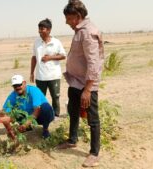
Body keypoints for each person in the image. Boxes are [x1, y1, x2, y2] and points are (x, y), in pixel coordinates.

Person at [57, 0, 104, 167]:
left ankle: (94, 153)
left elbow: (93, 62)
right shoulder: (80, 30)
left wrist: (88, 89)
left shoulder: (88, 32)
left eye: (68, 18)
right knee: (73, 112)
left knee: (92, 118)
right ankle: (72, 140)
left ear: (77, 17)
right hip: (75, 81)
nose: (66, 22)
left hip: (86, 84)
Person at [30, 18, 66, 117]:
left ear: (49, 30)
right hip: (40, 76)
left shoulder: (56, 42)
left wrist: (50, 57)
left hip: (54, 76)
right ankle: (42, 115)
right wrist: (32, 73)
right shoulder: (37, 42)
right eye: (39, 29)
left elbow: (63, 55)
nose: (40, 31)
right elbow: (34, 57)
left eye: (43, 29)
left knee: (55, 97)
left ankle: (56, 115)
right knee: (40, 98)